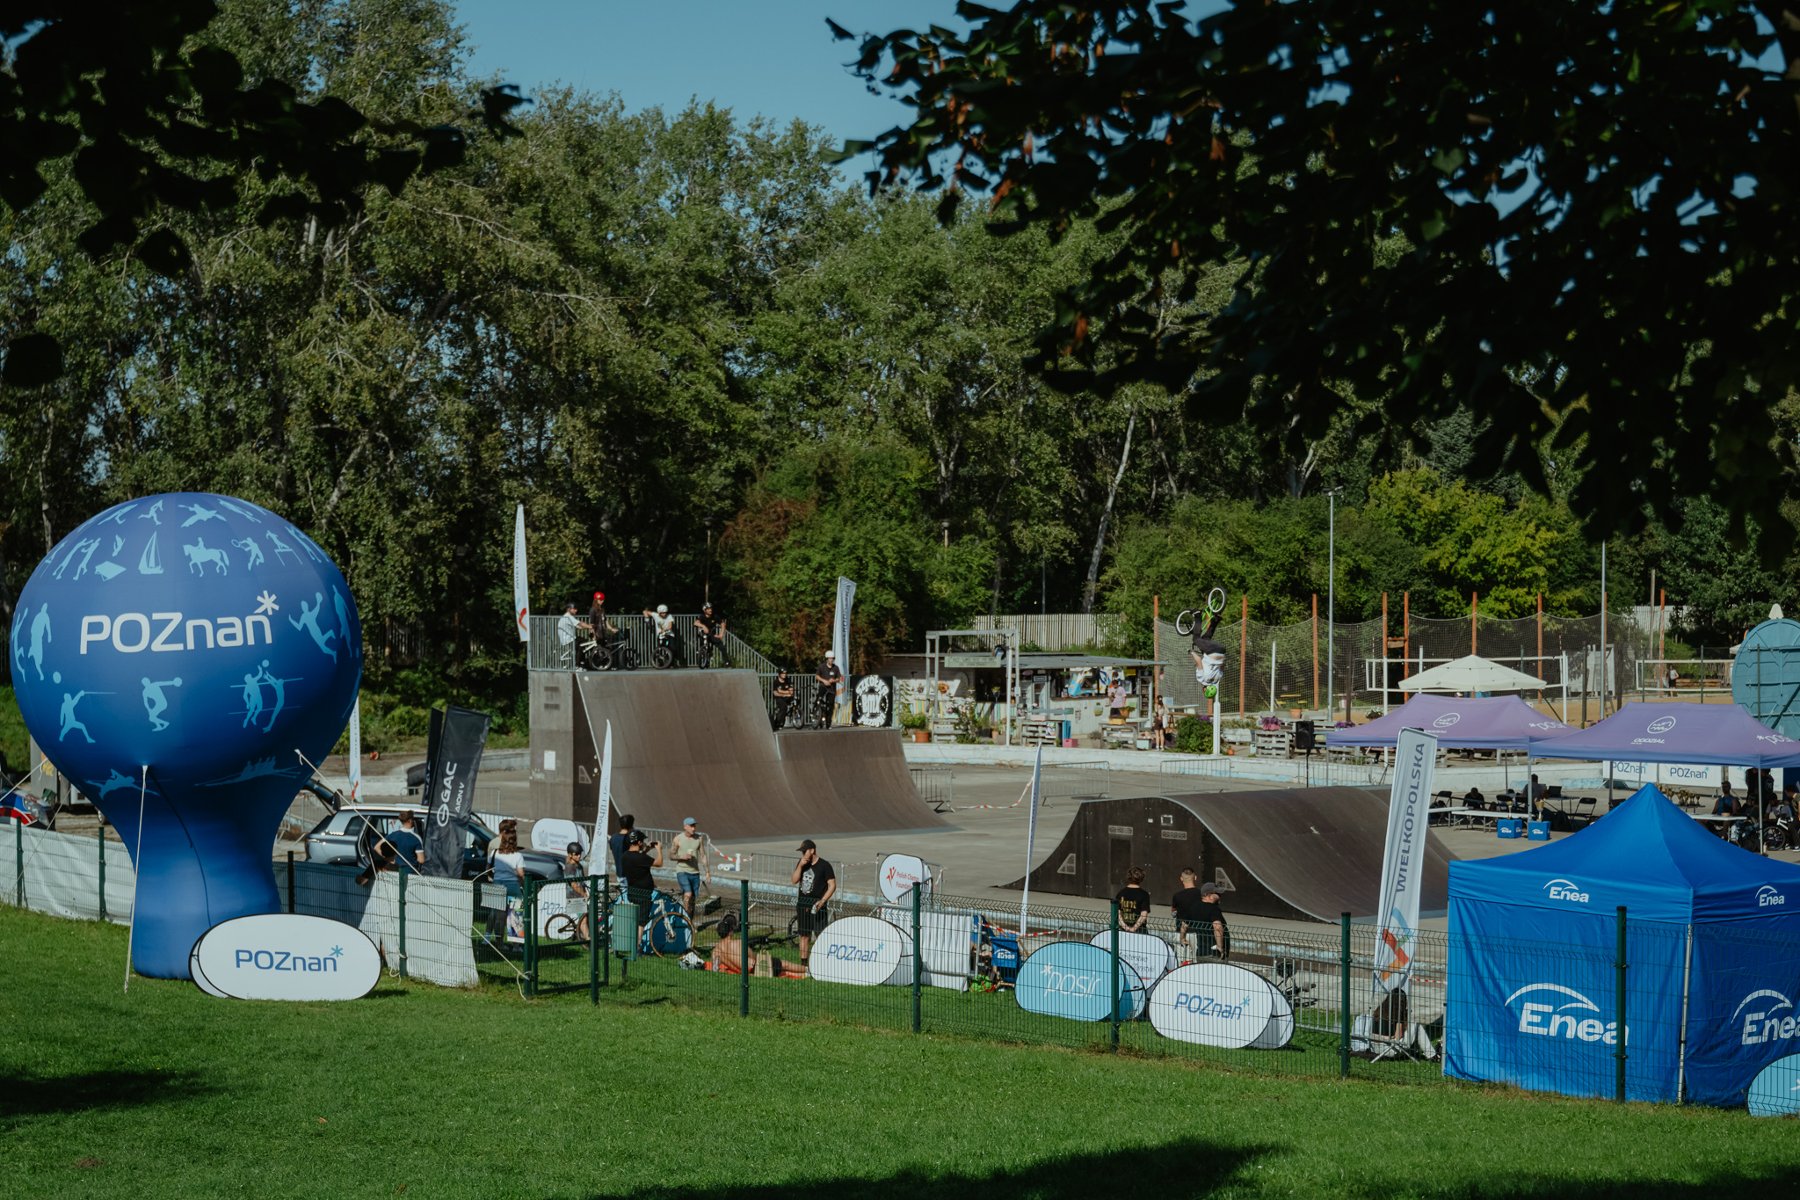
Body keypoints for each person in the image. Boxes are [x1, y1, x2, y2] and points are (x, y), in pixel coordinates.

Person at [791, 839, 837, 964]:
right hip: (803, 905)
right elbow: (794, 880)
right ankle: (804, 962)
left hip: (817, 906)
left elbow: (832, 885)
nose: (803, 854)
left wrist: (823, 900)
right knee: (804, 935)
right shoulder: (802, 863)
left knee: (820, 935)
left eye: (804, 851)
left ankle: (821, 961)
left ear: (812, 850)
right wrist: (800, 866)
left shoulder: (824, 866)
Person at [1171, 873, 1229, 961]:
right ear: (1208, 895)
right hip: (1214, 953)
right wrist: (1220, 947)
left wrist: (1182, 938)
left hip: (1200, 952)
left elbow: (1184, 925)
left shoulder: (1193, 907)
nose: (1220, 896)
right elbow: (1217, 927)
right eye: (1217, 894)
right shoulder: (1214, 909)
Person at [618, 830, 663, 937]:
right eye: (642, 841)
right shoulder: (641, 858)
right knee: (641, 922)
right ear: (638, 842)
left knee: (635, 918)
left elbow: (638, 858)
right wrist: (659, 850)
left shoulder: (625, 856)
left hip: (632, 891)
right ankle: (638, 947)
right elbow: (659, 863)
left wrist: (647, 849)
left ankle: (632, 942)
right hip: (643, 894)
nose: (643, 843)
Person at [1188, 606, 1227, 700]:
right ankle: (1197, 615)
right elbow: (1198, 661)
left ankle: (1216, 620)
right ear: (1205, 690)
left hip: (1221, 652)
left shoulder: (1217, 679)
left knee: (1206, 639)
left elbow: (1222, 666)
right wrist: (1191, 652)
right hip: (1211, 652)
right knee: (1196, 639)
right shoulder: (1202, 679)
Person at [669, 816, 704, 919]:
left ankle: (690, 921)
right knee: (688, 894)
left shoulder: (699, 838)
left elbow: (703, 855)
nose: (693, 828)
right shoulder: (678, 839)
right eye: (691, 826)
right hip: (682, 870)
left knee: (692, 899)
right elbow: (671, 855)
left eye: (694, 826)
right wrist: (682, 857)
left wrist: (707, 872)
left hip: (695, 872)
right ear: (685, 827)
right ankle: (685, 918)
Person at [561, 842, 593, 942]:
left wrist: (586, 892)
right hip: (574, 896)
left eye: (580, 854)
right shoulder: (569, 867)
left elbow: (582, 882)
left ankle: (582, 935)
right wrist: (583, 894)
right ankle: (588, 942)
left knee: (586, 917)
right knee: (583, 920)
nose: (579, 856)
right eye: (576, 854)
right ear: (570, 854)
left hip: (581, 896)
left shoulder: (579, 866)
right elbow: (574, 885)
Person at [385, 809, 425, 873]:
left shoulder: (393, 835)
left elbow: (377, 847)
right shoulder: (416, 838)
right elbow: (421, 860)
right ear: (410, 821)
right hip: (411, 871)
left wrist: (390, 860)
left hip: (396, 870)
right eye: (413, 819)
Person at [1115, 865, 1152, 933]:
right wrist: (1134, 928)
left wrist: (1125, 927)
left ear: (1128, 878)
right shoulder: (1144, 895)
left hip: (1122, 930)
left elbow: (1118, 913)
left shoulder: (1120, 893)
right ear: (1141, 879)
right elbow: (1144, 915)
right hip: (1140, 930)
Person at [813, 650, 844, 728]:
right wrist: (824, 681)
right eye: (830, 658)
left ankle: (828, 724)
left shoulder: (836, 668)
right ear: (827, 659)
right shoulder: (821, 666)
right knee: (818, 700)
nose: (831, 660)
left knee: (830, 706)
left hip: (831, 689)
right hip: (823, 687)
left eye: (832, 658)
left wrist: (833, 680)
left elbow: (839, 678)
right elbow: (817, 676)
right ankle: (815, 712)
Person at [693, 602, 728, 667]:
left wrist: (721, 635)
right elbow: (695, 623)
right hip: (703, 634)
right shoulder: (702, 616)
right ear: (704, 610)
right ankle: (702, 654)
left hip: (712, 634)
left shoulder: (715, 616)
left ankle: (727, 662)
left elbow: (723, 624)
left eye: (711, 608)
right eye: (708, 609)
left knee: (722, 647)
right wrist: (703, 626)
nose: (710, 610)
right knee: (701, 641)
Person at [556, 602, 590, 667]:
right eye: (574, 609)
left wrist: (587, 627)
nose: (576, 610)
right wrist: (590, 626)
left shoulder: (567, 616)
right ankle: (577, 664)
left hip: (568, 638)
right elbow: (580, 623)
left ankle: (580, 661)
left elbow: (579, 627)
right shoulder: (568, 617)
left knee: (583, 641)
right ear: (569, 609)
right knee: (582, 644)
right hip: (568, 639)